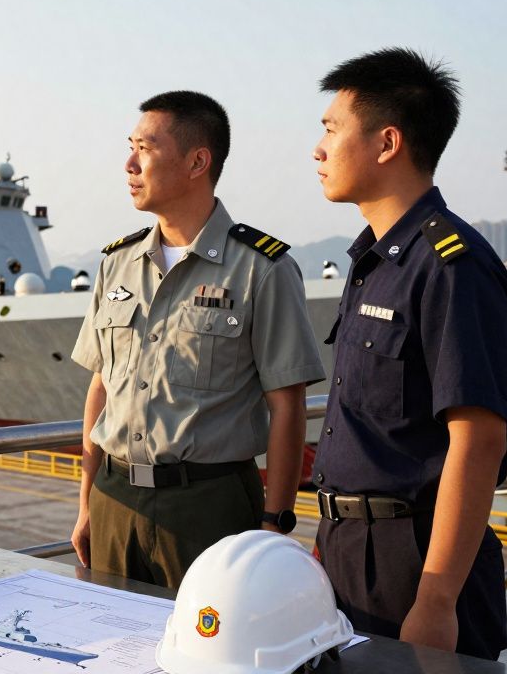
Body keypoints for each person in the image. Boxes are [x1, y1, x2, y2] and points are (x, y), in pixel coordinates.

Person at [309, 48, 507, 659]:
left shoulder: (451, 266)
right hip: (350, 552)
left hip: (417, 562)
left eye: (331, 129)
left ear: (387, 142)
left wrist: (436, 601)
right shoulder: (372, 261)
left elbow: (477, 442)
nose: (317, 149)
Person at [70, 90, 324, 588]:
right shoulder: (116, 263)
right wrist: (85, 503)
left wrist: (275, 523)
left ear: (196, 161)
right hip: (114, 498)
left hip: (209, 508)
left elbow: (288, 405)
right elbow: (101, 388)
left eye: (145, 147)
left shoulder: (261, 269)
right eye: (130, 146)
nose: (129, 163)